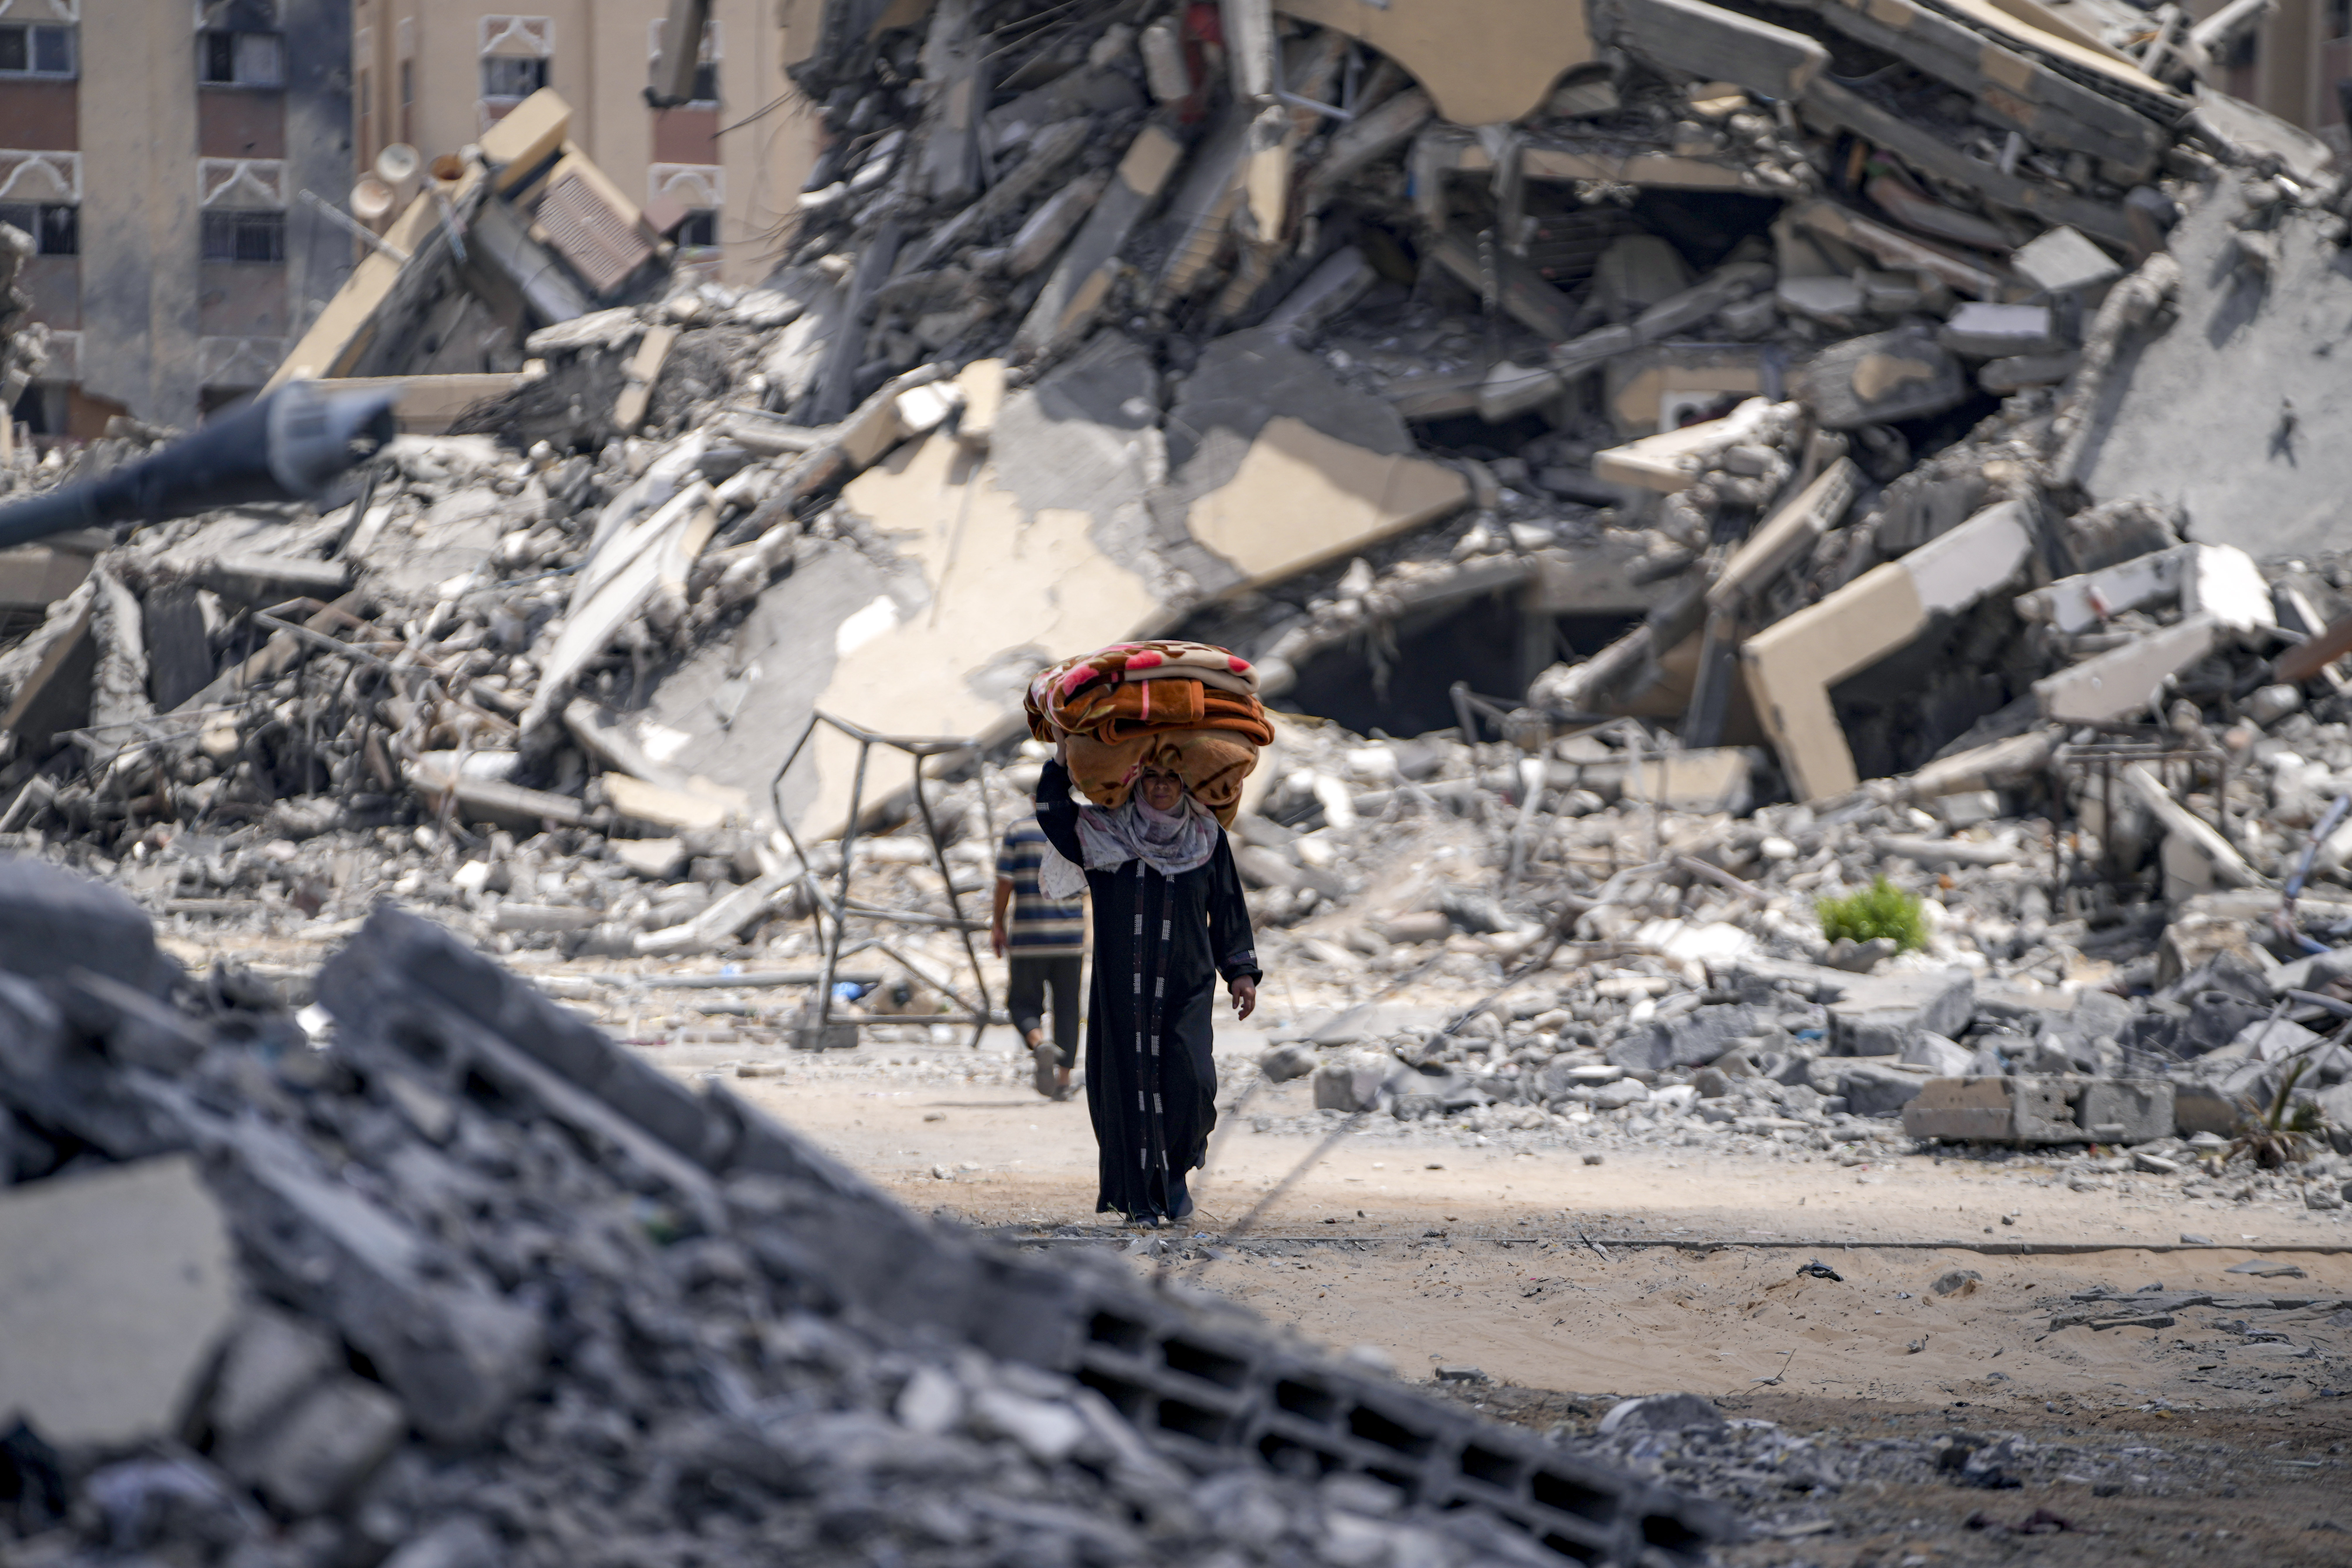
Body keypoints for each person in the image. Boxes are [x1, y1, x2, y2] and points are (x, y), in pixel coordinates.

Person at [1032, 749, 1259, 1225]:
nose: (1160, 785)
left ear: (1184, 783)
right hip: (1123, 992)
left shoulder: (1205, 838)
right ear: (1134, 781)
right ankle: (1139, 1198)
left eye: (1170, 776)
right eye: (1150, 776)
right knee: (1127, 1091)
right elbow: (1053, 811)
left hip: (1187, 987)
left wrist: (1239, 970)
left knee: (1193, 1082)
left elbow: (1227, 905)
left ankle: (1175, 1172)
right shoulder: (1104, 835)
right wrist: (1062, 757)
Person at [992, 811, 1088, 1099]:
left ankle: (1039, 1043)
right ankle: (1063, 1081)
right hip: (1070, 938)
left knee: (1021, 1004)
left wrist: (997, 924)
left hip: (1029, 937)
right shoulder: (1079, 827)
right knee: (1068, 1008)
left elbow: (1005, 882)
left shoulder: (1018, 831)